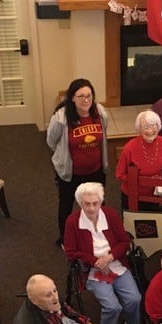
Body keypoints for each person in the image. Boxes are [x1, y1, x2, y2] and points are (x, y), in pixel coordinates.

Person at [63, 182, 143, 324]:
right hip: (92, 270)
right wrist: (96, 262)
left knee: (135, 299)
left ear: (100, 202)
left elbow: (124, 242)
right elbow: (71, 252)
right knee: (113, 307)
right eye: (87, 204)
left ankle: (131, 323)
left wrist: (109, 257)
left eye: (95, 203)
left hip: (115, 263)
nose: (91, 208)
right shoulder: (72, 221)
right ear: (80, 203)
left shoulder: (110, 214)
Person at [46, 78, 108, 246]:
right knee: (66, 205)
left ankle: (98, 235)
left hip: (96, 170)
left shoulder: (100, 112)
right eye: (81, 96)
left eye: (89, 95)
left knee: (98, 204)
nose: (86, 100)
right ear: (72, 98)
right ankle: (66, 239)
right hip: (71, 173)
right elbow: (51, 142)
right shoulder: (61, 117)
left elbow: (103, 136)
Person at [115, 109, 162, 211]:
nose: (150, 131)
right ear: (139, 129)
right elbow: (119, 174)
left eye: (153, 125)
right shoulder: (130, 147)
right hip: (134, 195)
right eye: (146, 127)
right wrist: (140, 182)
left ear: (159, 126)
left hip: (157, 194)